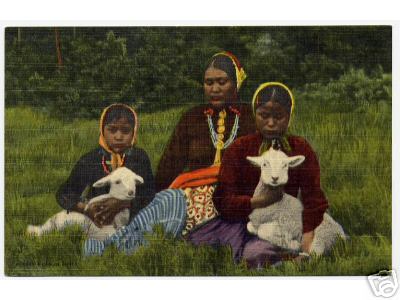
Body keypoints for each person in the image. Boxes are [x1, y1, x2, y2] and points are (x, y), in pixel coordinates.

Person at [84, 51, 256, 255]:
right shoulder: (192, 117)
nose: (215, 89)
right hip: (186, 196)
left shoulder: (251, 117)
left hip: (228, 197)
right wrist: (137, 200)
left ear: (236, 83)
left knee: (171, 206)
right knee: (167, 200)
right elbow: (168, 170)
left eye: (222, 82)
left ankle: (113, 249)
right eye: (209, 83)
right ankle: (112, 246)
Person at [188, 82, 329, 268]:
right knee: (241, 250)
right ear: (255, 115)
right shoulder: (239, 149)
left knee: (314, 239)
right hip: (240, 220)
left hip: (282, 221)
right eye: (264, 115)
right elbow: (223, 200)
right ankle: (280, 258)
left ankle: (292, 256)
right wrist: (260, 201)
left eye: (278, 117)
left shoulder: (300, 148)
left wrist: (307, 235)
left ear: (288, 116)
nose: (271, 123)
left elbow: (314, 199)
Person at [56, 103, 156, 228]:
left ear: (134, 131)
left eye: (125, 131)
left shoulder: (138, 157)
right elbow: (64, 193)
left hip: (133, 219)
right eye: (112, 130)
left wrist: (123, 203)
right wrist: (86, 209)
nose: (118, 137)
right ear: (102, 130)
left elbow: (150, 192)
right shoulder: (91, 160)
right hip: (98, 221)